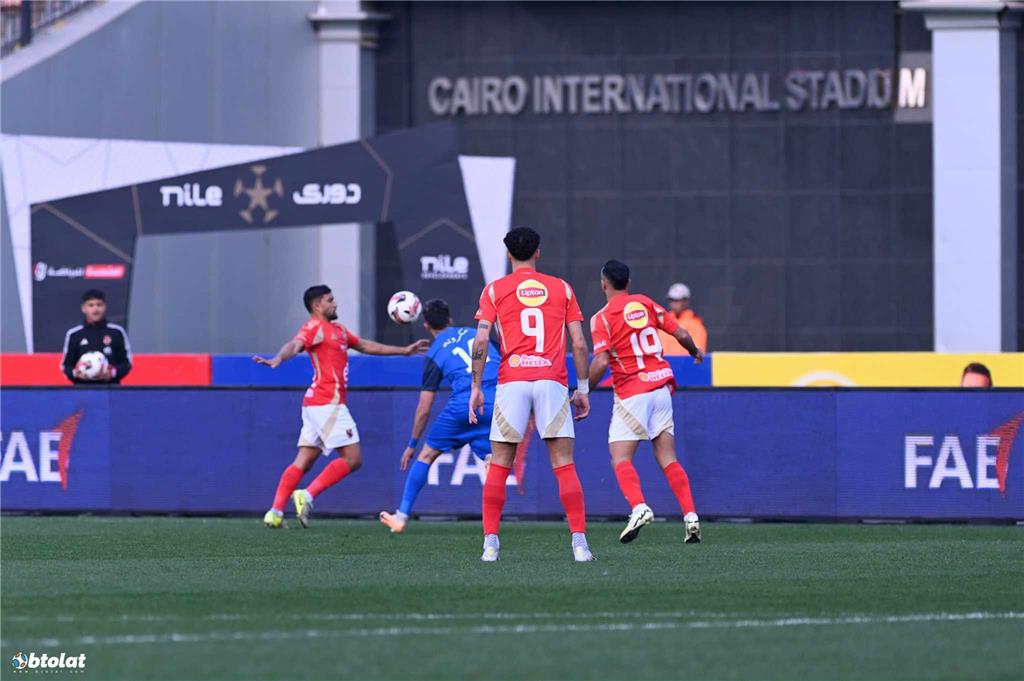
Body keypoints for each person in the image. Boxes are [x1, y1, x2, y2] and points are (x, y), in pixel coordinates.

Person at [254, 285, 428, 529]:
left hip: (316, 404)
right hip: (327, 403)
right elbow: (294, 344)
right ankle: (307, 495)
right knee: (353, 459)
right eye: (330, 300)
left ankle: (275, 512)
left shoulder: (339, 330)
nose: (335, 303)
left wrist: (404, 351)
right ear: (317, 305)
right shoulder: (314, 328)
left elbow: (366, 346)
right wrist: (278, 358)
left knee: (304, 461)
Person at [469, 226, 595, 562]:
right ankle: (580, 545)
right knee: (564, 464)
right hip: (551, 380)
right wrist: (583, 388)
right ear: (538, 252)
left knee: (499, 464)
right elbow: (579, 344)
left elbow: (481, 340)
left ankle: (490, 545)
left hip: (513, 381)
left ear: (508, 254)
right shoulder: (561, 288)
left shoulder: (494, 290)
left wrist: (476, 387)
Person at [588, 260, 705, 544]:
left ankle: (639, 507)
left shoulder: (601, 318)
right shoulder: (645, 303)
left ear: (603, 284)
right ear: (628, 282)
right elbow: (681, 333)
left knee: (620, 457)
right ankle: (690, 515)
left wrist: (583, 389)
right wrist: (695, 352)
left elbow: (601, 362)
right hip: (661, 386)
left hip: (632, 391)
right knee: (668, 458)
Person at [379, 298, 501, 534]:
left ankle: (401, 517)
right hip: (496, 401)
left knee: (426, 455)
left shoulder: (434, 352)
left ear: (426, 326)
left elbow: (424, 407)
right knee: (496, 460)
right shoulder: (477, 333)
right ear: (451, 320)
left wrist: (412, 444)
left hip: (463, 404)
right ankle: (491, 531)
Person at [60, 289, 132, 384]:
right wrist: (76, 374)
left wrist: (112, 373)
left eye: (99, 305)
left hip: (110, 388)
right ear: (83, 308)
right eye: (91, 305)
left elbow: (126, 364)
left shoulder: (116, 332)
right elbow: (66, 366)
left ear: (105, 307)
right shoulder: (74, 334)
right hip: (82, 388)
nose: (95, 309)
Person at [658, 282, 708, 355]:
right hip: (663, 362)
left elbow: (698, 354)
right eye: (671, 300)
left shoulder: (697, 326)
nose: (673, 304)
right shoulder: (663, 322)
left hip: (686, 362)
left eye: (677, 300)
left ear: (686, 301)